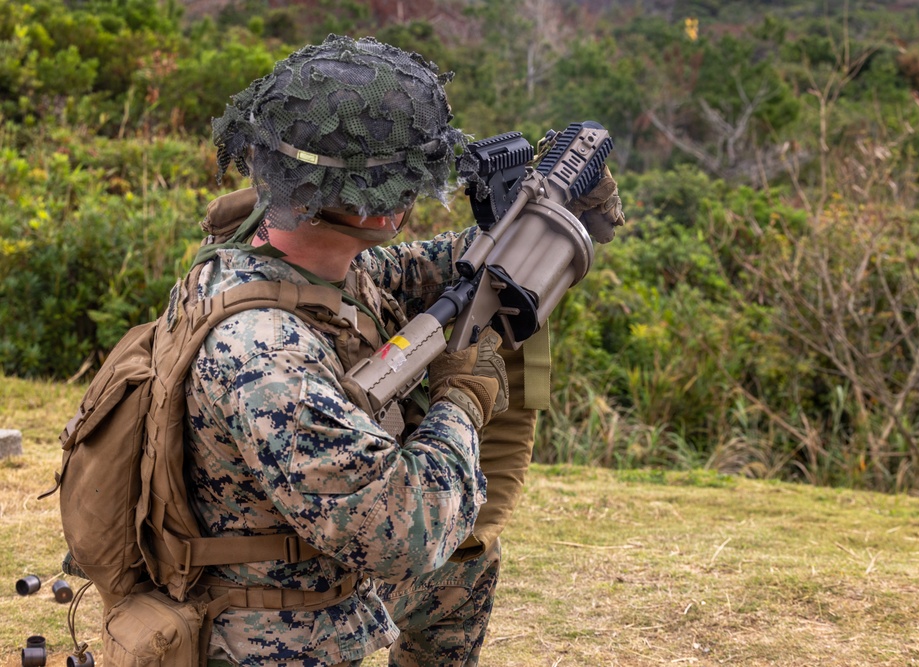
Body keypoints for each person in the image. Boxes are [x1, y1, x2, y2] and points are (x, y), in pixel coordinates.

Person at [186, 34, 623, 667]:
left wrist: (553, 211)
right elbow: (409, 533)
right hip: (261, 624)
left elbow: (428, 266)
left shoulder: (290, 257)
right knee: (442, 542)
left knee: (466, 564)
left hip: (308, 553)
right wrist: (462, 400)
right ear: (380, 205)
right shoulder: (267, 358)